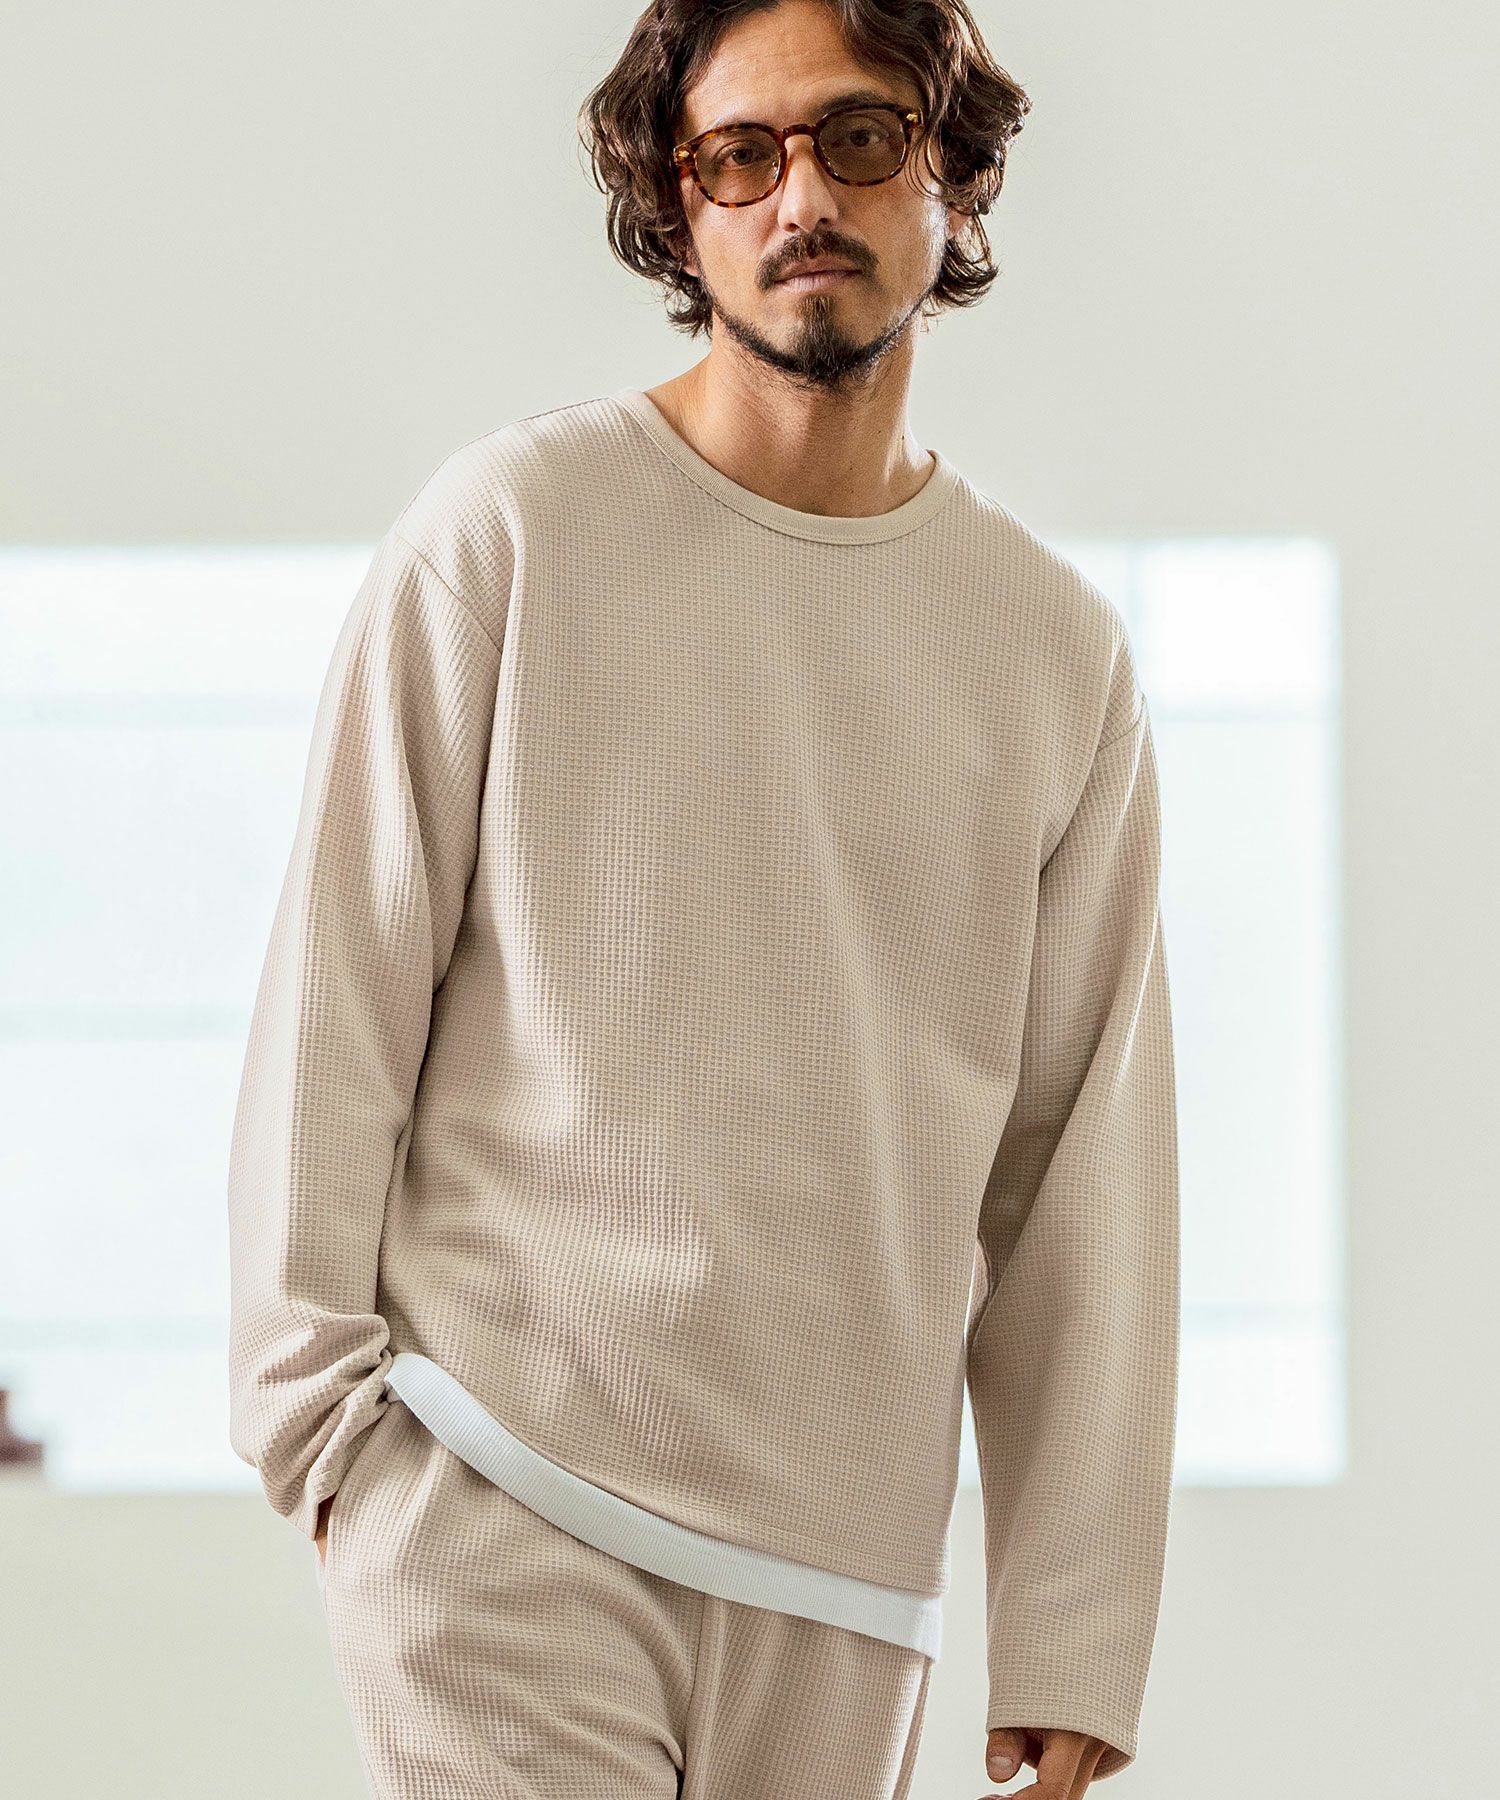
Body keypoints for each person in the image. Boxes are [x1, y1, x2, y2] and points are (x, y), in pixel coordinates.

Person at [227, 1, 1181, 1794]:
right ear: (680, 211)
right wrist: (328, 1435)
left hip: (846, 1589)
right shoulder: (511, 531)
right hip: (500, 1503)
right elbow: (337, 997)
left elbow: (1079, 1171)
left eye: (860, 137)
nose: (798, 196)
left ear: (957, 177)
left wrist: (1072, 1622)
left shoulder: (1053, 651)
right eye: (739, 157)